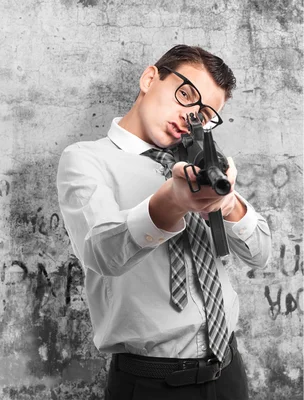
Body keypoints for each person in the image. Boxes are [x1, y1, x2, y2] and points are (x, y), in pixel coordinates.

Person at [56, 45, 271, 400]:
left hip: (229, 371)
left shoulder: (199, 164)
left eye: (203, 114)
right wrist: (171, 202)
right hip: (152, 383)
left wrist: (227, 201)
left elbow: (260, 253)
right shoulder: (86, 159)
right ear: (150, 78)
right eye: (186, 94)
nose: (190, 115)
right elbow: (102, 253)